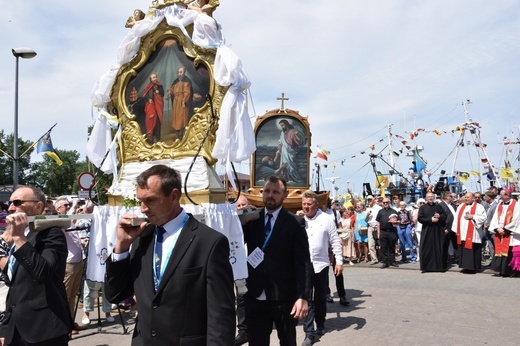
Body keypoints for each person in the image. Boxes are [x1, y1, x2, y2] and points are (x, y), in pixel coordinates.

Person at [104, 165, 235, 345]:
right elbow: (115, 294)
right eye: (140, 201)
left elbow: (220, 317)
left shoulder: (209, 243)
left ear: (173, 196)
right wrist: (121, 247)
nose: (143, 209)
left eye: (150, 200)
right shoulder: (141, 239)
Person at [242, 175, 312, 346]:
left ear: (284, 195)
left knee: (287, 342)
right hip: (255, 295)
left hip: (284, 297)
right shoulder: (251, 219)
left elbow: (303, 263)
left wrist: (303, 297)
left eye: (275, 192)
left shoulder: (295, 223)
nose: (270, 195)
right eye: (266, 191)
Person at [0, 185, 72, 345]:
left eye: (17, 202)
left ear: (38, 206)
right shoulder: (22, 235)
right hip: (15, 330)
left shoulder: (52, 234)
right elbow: (14, 282)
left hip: (43, 330)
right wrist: (5, 329)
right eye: (9, 203)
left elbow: (43, 272)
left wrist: (18, 238)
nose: (11, 208)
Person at [300, 192, 343, 345]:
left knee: (320, 297)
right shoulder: (299, 220)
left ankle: (321, 322)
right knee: (306, 298)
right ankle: (309, 332)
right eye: (304, 204)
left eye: (309, 204)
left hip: (322, 264)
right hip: (304, 264)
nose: (306, 207)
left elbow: (335, 241)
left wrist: (339, 261)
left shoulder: (326, 219)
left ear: (316, 205)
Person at [452, 192, 487, 274]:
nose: (466, 199)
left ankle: (473, 267)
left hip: (473, 233)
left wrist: (473, 217)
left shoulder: (479, 207)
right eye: (466, 197)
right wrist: (455, 230)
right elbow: (456, 218)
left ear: (473, 198)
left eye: (468, 197)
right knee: (463, 250)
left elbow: (483, 217)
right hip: (462, 232)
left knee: (473, 250)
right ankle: (465, 266)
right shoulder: (461, 206)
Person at [488, 188, 520, 277]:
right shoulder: (500, 204)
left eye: (501, 195)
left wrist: (506, 229)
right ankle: (502, 271)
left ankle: (512, 271)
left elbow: (517, 219)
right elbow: (495, 218)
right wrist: (497, 228)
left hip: (511, 233)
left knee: (511, 253)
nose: (500, 197)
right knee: (500, 252)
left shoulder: (517, 205)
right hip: (500, 232)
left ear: (507, 195)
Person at [418, 192, 448, 273]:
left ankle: (440, 267)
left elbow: (445, 216)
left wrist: (440, 216)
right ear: (426, 198)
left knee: (439, 247)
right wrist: (430, 220)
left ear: (434, 197)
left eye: (432, 196)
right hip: (427, 230)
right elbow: (420, 219)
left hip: (438, 230)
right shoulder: (422, 208)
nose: (430, 198)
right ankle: (426, 267)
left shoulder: (439, 206)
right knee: (427, 248)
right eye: (429, 197)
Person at [273, 119, 305, 184]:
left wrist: (296, 135)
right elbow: (280, 142)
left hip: (291, 152)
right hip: (284, 152)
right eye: (281, 126)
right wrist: (279, 150)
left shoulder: (292, 131)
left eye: (282, 125)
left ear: (286, 124)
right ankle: (286, 178)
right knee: (284, 165)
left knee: (291, 167)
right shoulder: (282, 133)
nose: (282, 127)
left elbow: (299, 142)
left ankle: (296, 180)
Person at [168, 66, 193, 138]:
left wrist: (184, 100)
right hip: (176, 101)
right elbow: (172, 89)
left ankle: (181, 133)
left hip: (181, 101)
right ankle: (177, 132)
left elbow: (187, 92)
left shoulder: (187, 81)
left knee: (182, 117)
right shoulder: (176, 81)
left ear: (184, 72)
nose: (179, 74)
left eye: (181, 72)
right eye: (178, 72)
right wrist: (170, 92)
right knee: (176, 116)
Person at [376, 197, 400, 268]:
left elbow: (399, 221)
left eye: (387, 202)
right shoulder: (380, 211)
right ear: (382, 203)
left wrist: (396, 221)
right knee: (384, 247)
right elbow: (378, 222)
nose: (385, 204)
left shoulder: (393, 211)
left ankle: (392, 261)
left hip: (391, 231)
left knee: (392, 246)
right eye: (384, 202)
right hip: (383, 231)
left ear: (389, 203)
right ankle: (385, 262)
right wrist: (378, 232)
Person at [142, 72, 164, 144]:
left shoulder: (159, 85)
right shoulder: (148, 86)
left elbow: (162, 93)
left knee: (158, 121)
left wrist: (159, 92)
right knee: (151, 119)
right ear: (150, 79)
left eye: (155, 77)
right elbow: (145, 95)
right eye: (153, 77)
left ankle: (157, 137)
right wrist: (149, 99)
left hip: (158, 106)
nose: (155, 79)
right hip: (151, 106)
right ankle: (150, 137)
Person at [438, 191, 457, 264]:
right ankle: (445, 259)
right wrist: (444, 228)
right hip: (446, 228)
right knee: (445, 244)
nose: (452, 198)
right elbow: (441, 218)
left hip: (454, 228)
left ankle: (455, 257)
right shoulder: (441, 205)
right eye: (450, 196)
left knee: (455, 244)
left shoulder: (453, 205)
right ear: (446, 197)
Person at [365, 195, 381, 265]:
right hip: (370, 227)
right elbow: (366, 220)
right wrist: (367, 215)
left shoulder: (378, 208)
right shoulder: (367, 209)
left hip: (377, 226)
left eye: (370, 200)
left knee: (380, 243)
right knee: (371, 244)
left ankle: (383, 257)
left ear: (373, 200)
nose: (369, 201)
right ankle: (374, 259)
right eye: (368, 200)